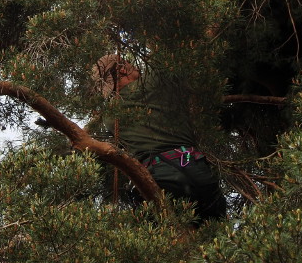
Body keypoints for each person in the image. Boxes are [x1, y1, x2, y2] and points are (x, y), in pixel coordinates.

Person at [93, 54, 227, 225]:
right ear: (121, 69)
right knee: (214, 234)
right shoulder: (156, 80)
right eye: (127, 63)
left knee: (167, 242)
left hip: (156, 183)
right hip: (197, 173)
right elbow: (177, 56)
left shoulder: (111, 118)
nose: (133, 65)